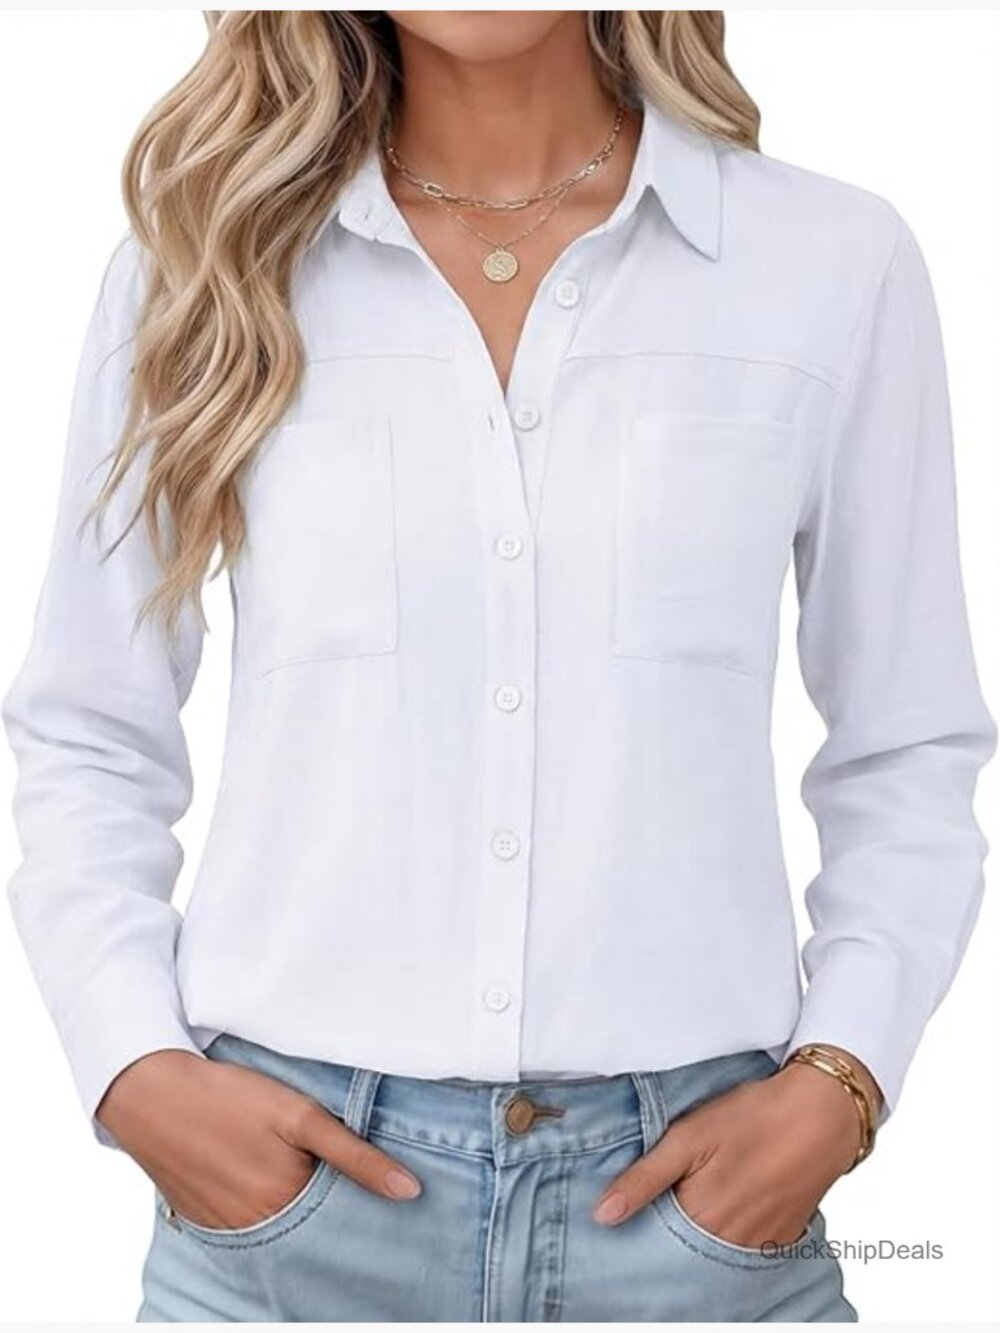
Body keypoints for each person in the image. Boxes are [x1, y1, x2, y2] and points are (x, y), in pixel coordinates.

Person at [3, 11, 995, 1324]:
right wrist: (131, 1064)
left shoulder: (828, 264)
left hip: (695, 1217)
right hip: (287, 1220)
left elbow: (907, 741)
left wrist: (843, 1076)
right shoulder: (198, 269)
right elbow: (87, 730)